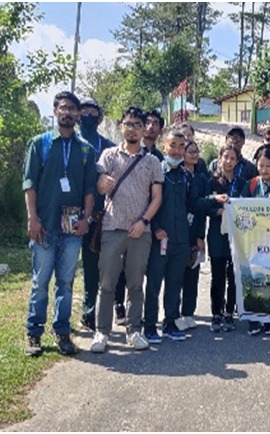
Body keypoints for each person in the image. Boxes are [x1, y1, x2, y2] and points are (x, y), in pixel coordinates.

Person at [23, 91, 97, 356]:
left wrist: (87, 219)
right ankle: (33, 333)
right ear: (55, 111)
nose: (67, 112)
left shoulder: (86, 150)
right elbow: (29, 184)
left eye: (72, 109)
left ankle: (62, 332)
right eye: (63, 107)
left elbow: (90, 190)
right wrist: (32, 219)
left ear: (78, 115)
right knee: (40, 282)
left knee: (65, 282)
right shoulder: (39, 144)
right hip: (44, 225)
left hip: (72, 229)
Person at [90, 106, 164, 353]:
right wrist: (102, 184)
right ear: (121, 126)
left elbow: (156, 198)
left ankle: (134, 330)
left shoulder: (153, 161)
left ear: (144, 130)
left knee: (135, 284)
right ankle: (102, 332)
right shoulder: (108, 155)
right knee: (107, 283)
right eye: (128, 124)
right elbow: (99, 186)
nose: (132, 129)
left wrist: (143, 222)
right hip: (112, 228)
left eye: (137, 125)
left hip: (140, 231)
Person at [143, 129, 199, 344]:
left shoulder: (186, 176)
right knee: (155, 283)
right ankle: (149, 325)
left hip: (181, 241)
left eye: (181, 146)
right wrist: (155, 227)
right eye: (172, 145)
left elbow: (195, 204)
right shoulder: (155, 173)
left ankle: (170, 322)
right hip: (160, 240)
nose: (176, 151)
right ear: (163, 146)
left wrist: (216, 201)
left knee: (175, 283)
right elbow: (146, 203)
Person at [77, 97, 116, 332]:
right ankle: (86, 310)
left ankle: (99, 312)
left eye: (93, 111)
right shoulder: (71, 141)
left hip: (102, 216)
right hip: (75, 214)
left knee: (102, 266)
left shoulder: (108, 146)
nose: (89, 115)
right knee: (83, 267)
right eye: (85, 111)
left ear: (99, 117)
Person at [201, 144, 242, 333]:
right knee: (217, 275)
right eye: (226, 157)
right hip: (217, 234)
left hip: (236, 235)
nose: (229, 162)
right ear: (219, 158)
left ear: (237, 161)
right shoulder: (212, 182)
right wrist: (217, 210)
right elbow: (204, 205)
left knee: (233, 275)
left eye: (233, 158)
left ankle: (229, 313)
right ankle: (216, 313)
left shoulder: (242, 183)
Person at [241, 146, 270, 337]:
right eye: (261, 165)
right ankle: (254, 318)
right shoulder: (251, 185)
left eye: (268, 166)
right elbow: (240, 209)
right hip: (254, 242)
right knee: (254, 281)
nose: (264, 169)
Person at [178, 139, 208, 331]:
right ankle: (173, 314)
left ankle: (188, 313)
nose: (193, 155)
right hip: (177, 230)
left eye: (196, 151)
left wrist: (200, 235)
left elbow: (202, 207)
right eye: (190, 151)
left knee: (192, 274)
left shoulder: (202, 179)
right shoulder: (176, 175)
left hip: (194, 229)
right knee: (176, 275)